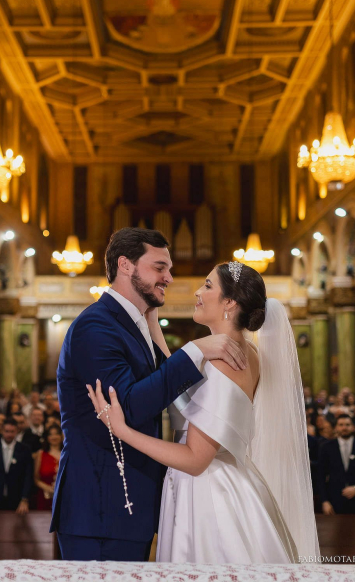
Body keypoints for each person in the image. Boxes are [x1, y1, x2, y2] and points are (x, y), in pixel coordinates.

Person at [89, 260, 319, 564]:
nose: (197, 292)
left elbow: (196, 460)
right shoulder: (243, 351)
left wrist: (122, 430)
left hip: (208, 494)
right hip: (221, 478)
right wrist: (153, 324)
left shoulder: (225, 362)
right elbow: (183, 388)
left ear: (230, 302)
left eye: (208, 285)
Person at [51, 228, 251, 562]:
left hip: (131, 507)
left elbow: (166, 387)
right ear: (125, 265)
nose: (169, 278)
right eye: (159, 268)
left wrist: (155, 327)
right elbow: (127, 406)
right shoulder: (96, 326)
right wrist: (195, 350)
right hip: (101, 507)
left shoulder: (135, 323)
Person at [319, 414, 355, 515]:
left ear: (353, 427)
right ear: (336, 427)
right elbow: (320, 476)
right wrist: (324, 501)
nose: (344, 428)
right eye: (341, 425)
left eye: (347, 425)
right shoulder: (326, 447)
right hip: (334, 501)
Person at [34, 424, 63, 510]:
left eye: (56, 434)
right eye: (51, 434)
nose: (54, 437)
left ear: (61, 436)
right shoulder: (41, 454)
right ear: (47, 437)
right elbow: (36, 478)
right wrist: (49, 489)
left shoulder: (67, 454)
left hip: (64, 496)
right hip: (45, 496)